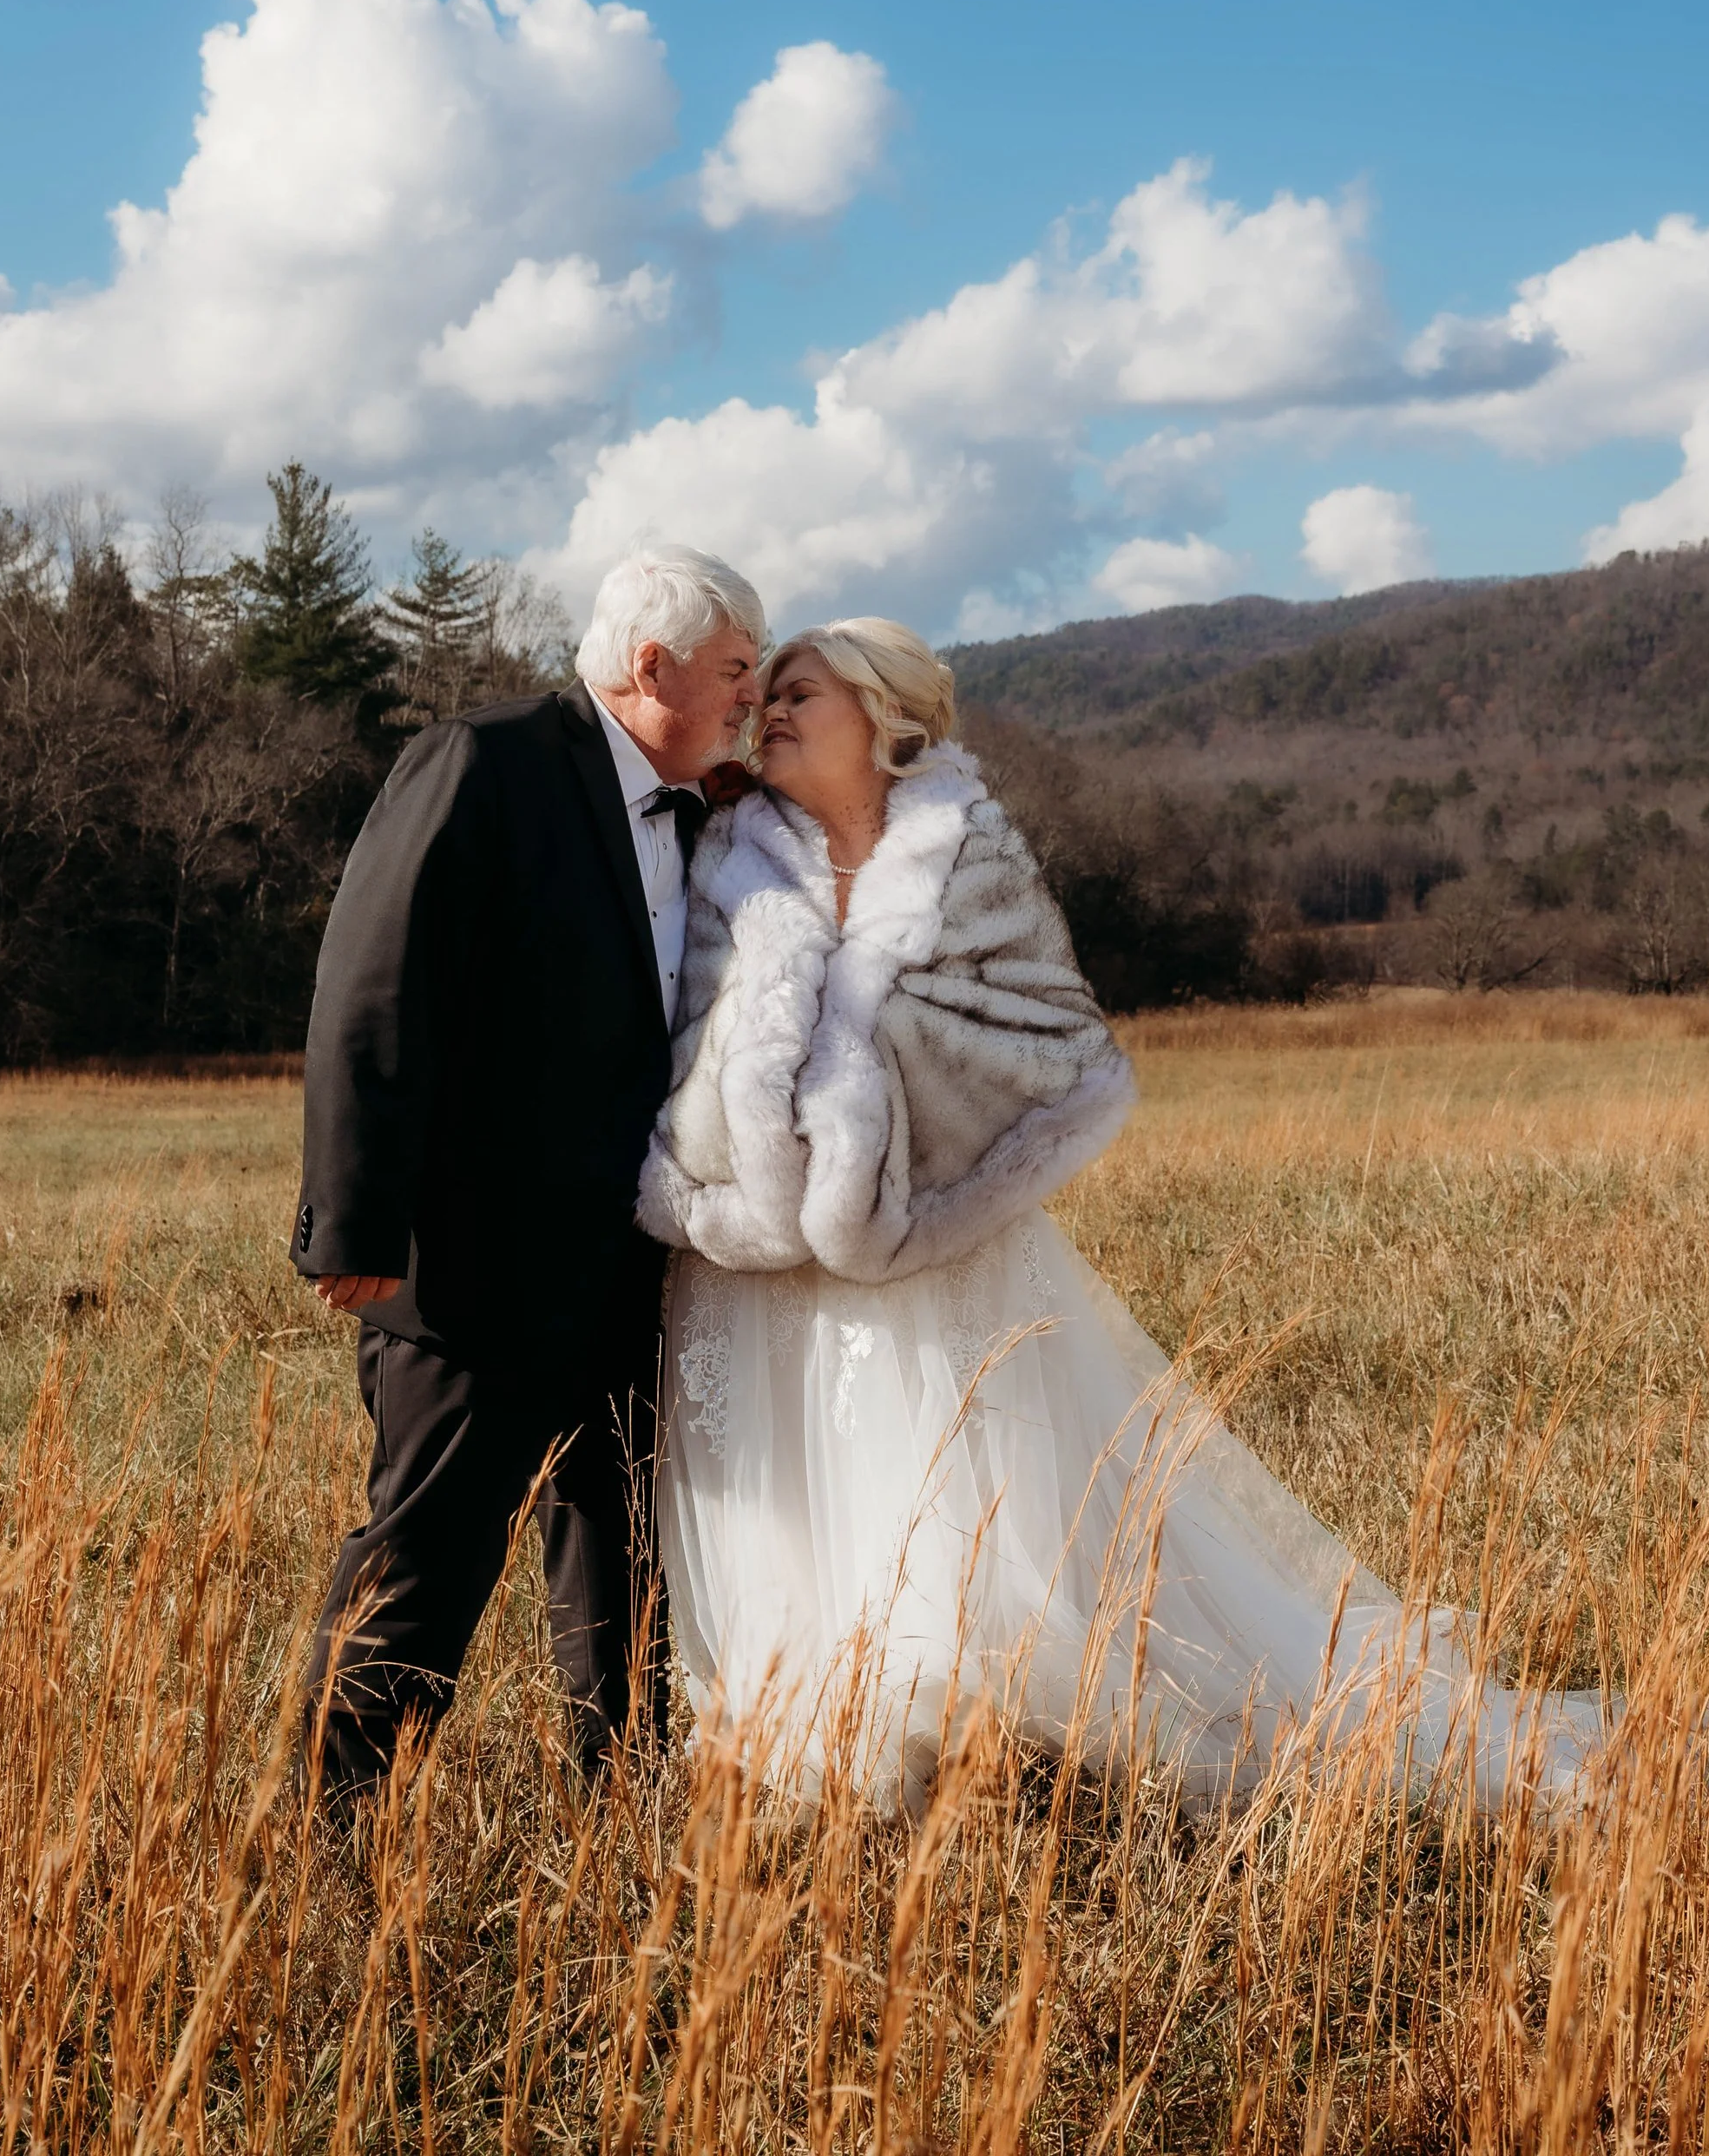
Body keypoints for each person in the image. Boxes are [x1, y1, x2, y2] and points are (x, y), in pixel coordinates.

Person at [640, 618, 1606, 1815]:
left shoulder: (968, 856)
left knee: (958, 1502)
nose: (770, 711)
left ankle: (973, 1732)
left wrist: (875, 1110)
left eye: (801, 693)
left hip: (944, 1247)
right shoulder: (725, 850)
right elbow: (686, 1043)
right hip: (758, 1267)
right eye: (766, 693)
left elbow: (1042, 1045)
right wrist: (771, 1150)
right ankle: (821, 1743)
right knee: (793, 1495)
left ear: (885, 719)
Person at [292, 542, 765, 1798]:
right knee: (430, 1558)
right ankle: (333, 1828)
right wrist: (353, 1221)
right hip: (471, 1269)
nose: (750, 696)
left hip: (631, 1265)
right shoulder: (486, 764)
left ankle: (619, 1803)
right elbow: (372, 987)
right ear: (650, 665)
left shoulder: (708, 806)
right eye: (734, 669)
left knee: (623, 1563)